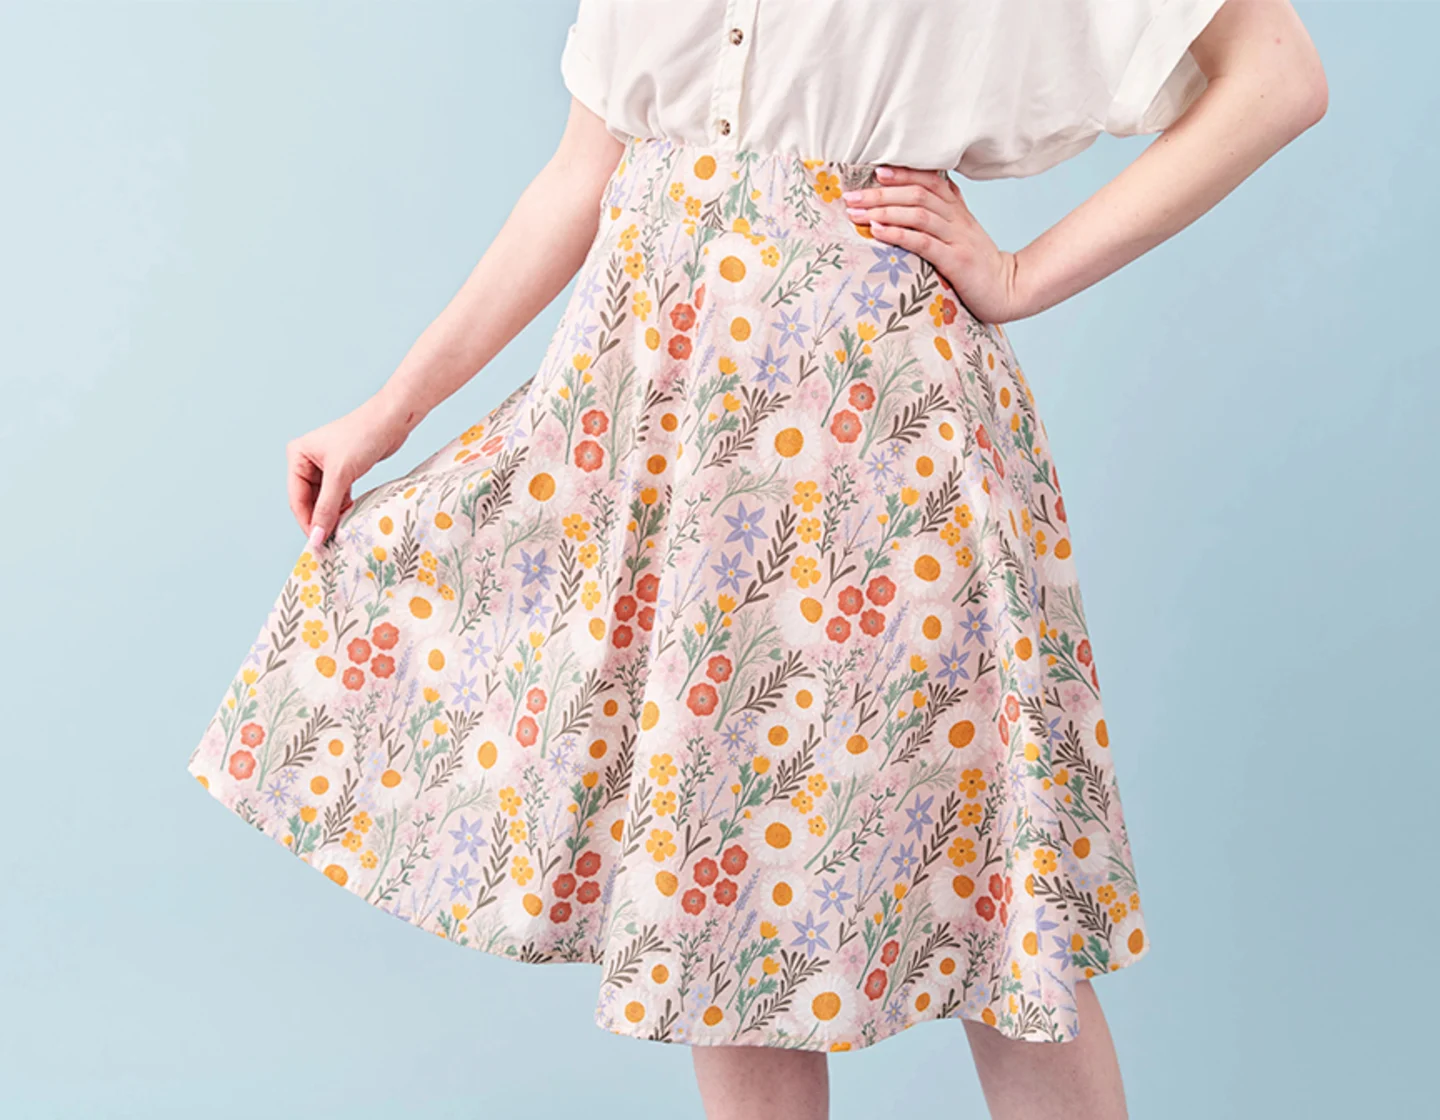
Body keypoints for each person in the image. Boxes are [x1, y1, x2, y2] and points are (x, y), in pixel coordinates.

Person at [185, 1, 1326, 1117]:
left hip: (883, 437)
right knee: (716, 897)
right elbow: (580, 177)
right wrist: (390, 414)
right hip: (666, 446)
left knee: (992, 892)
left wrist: (1023, 275)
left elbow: (1277, 74)